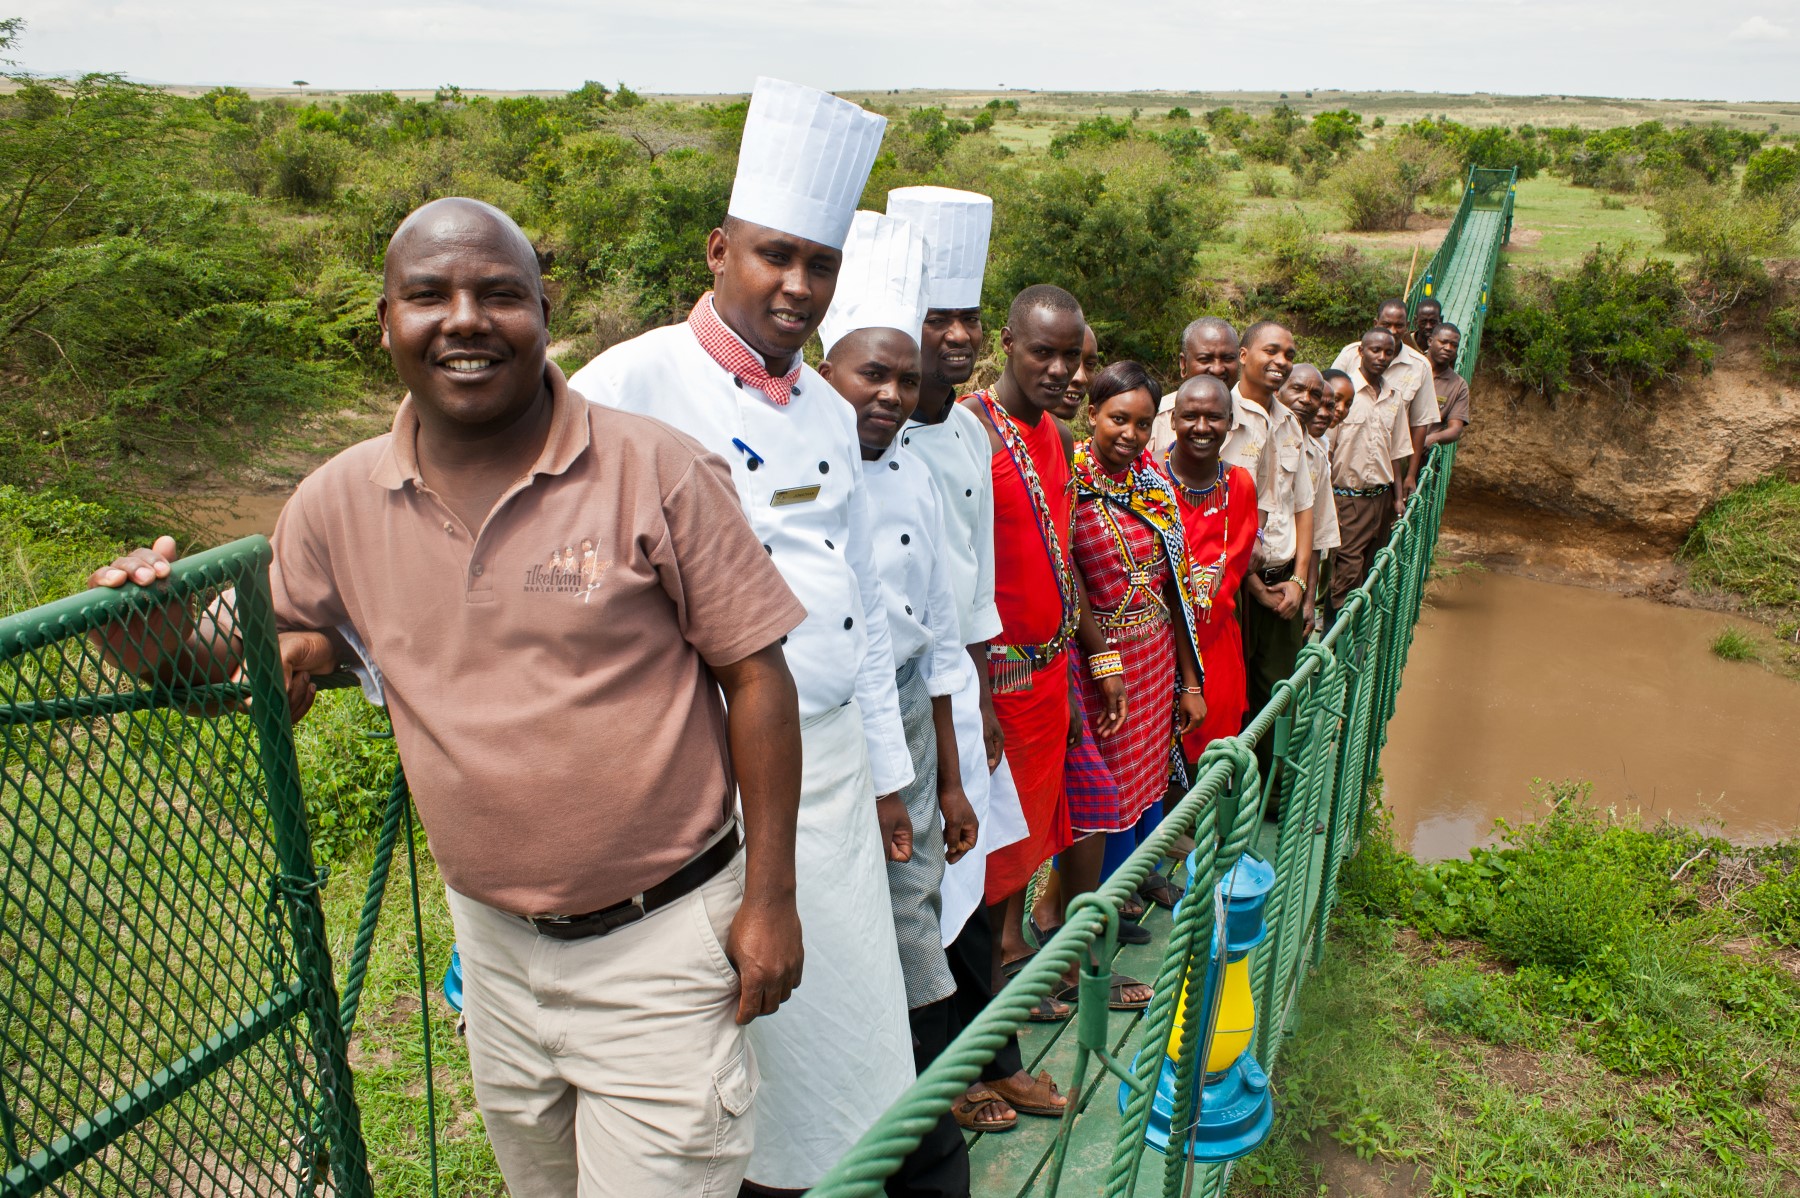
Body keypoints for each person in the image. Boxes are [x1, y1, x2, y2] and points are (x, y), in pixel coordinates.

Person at [88, 198, 808, 1198]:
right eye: (429, 295)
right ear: (385, 322)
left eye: (499, 294)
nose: (464, 319)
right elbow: (264, 655)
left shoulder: (658, 470)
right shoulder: (337, 500)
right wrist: (156, 643)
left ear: (544, 313)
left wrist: (772, 898)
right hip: (496, 953)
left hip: (662, 943)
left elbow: (758, 678)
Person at [567, 78, 918, 1194]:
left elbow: (855, 602)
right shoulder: (624, 385)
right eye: (776, 256)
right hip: (705, 786)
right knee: (723, 1044)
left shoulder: (823, 406)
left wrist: (887, 774)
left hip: (832, 775)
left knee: (850, 1040)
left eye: (819, 265)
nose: (799, 286)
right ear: (719, 250)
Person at [817, 209, 974, 1198]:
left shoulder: (915, 472)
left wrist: (952, 777)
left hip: (912, 719)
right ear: (827, 375)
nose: (887, 396)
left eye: (904, 379)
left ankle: (922, 1129)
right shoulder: (805, 471)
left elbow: (941, 638)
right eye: (868, 375)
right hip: (824, 728)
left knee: (914, 917)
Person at [885, 185, 1042, 1132]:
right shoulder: (878, 426)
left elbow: (973, 582)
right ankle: (952, 1078)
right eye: (933, 316)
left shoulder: (975, 428)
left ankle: (995, 1053)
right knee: (929, 898)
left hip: (968, 687)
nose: (953, 335)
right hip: (911, 698)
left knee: (979, 884)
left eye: (965, 318)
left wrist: (983, 688)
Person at [1033, 361, 1207, 1012]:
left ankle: (1095, 913)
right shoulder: (1067, 479)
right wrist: (1102, 660)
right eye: (1117, 419)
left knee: (1139, 790)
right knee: (1093, 805)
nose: (1130, 434)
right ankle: (1072, 927)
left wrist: (1190, 681)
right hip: (1094, 666)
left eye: (1141, 422)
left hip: (1155, 660)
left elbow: (1178, 589)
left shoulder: (1153, 485)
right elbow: (1061, 570)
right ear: (1093, 414)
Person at [961, 283, 1094, 1113]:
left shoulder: (1058, 435)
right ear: (1006, 343)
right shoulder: (969, 432)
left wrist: (1086, 666)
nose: (1058, 368)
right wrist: (976, 699)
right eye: (1042, 351)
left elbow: (1058, 556)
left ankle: (993, 1036)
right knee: (974, 885)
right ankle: (976, 1064)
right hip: (992, 695)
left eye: (1071, 356)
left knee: (1015, 868)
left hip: (1045, 685)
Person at [1157, 375, 1259, 787]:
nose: (1202, 427)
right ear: (1173, 420)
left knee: (1214, 763)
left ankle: (1206, 844)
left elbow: (1231, 571)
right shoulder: (1149, 481)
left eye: (1214, 417)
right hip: (1158, 650)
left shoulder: (1241, 486)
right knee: (1158, 761)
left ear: (1230, 423)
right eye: (1191, 416)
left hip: (1217, 648)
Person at [1233, 321, 1314, 757]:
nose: (1281, 361)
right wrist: (1251, 585)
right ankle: (1228, 802)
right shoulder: (1216, 413)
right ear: (1244, 355)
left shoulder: (1291, 424)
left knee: (1278, 692)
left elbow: (1304, 504)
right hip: (1233, 586)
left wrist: (1300, 581)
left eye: (1289, 353)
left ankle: (1274, 795)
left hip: (1281, 581)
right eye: (1271, 351)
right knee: (1235, 691)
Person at [1328, 328, 1413, 612]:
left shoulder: (1394, 397)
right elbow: (1325, 451)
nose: (1382, 357)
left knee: (1373, 567)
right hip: (1347, 497)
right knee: (1347, 571)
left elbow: (1397, 453)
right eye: (1375, 350)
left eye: (1388, 352)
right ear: (1360, 352)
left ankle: (1359, 643)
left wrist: (1398, 499)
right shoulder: (1342, 393)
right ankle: (1335, 644)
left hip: (1382, 497)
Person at [1330, 299, 1436, 498]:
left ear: (1408, 328)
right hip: (1344, 473)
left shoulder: (1420, 366)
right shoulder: (1351, 354)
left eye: (1399, 326)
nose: (1393, 331)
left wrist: (1410, 476)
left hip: (1388, 473)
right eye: (1386, 325)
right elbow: (1326, 399)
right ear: (1375, 323)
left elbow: (1419, 423)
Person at [1279, 365, 1341, 636]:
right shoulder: (1259, 439)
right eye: (1297, 389)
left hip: (1293, 576)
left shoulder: (1316, 456)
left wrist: (1308, 597)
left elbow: (1315, 538)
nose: (1306, 400)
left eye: (1314, 395)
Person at [1151, 316, 1239, 451]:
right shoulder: (1154, 419)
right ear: (1183, 364)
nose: (1217, 369)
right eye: (1205, 359)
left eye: (1228, 359)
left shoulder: (1257, 422)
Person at [1422, 322, 1472, 451]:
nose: (1448, 348)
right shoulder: (1411, 368)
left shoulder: (1459, 385)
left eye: (1454, 345)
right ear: (1430, 341)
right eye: (1443, 342)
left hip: (1423, 453)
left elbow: (1455, 429)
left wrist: (1432, 438)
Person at [1051, 324, 1100, 423]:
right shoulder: (1011, 434)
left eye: (1090, 364)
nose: (1081, 378)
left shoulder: (1061, 436)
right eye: (1067, 359)